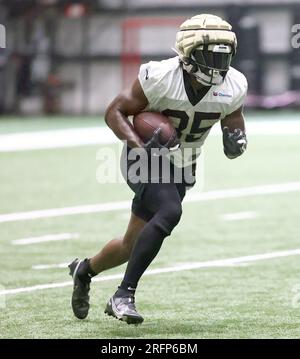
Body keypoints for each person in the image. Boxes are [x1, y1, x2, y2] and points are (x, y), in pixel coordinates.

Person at [68, 14, 248, 325]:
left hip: (184, 163)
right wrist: (140, 147)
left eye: (224, 54)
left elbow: (234, 125)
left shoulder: (234, 84)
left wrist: (236, 141)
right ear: (189, 55)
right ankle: (123, 295)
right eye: (211, 55)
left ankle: (84, 270)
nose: (219, 63)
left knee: (130, 244)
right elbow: (115, 112)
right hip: (143, 155)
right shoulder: (160, 75)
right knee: (170, 211)